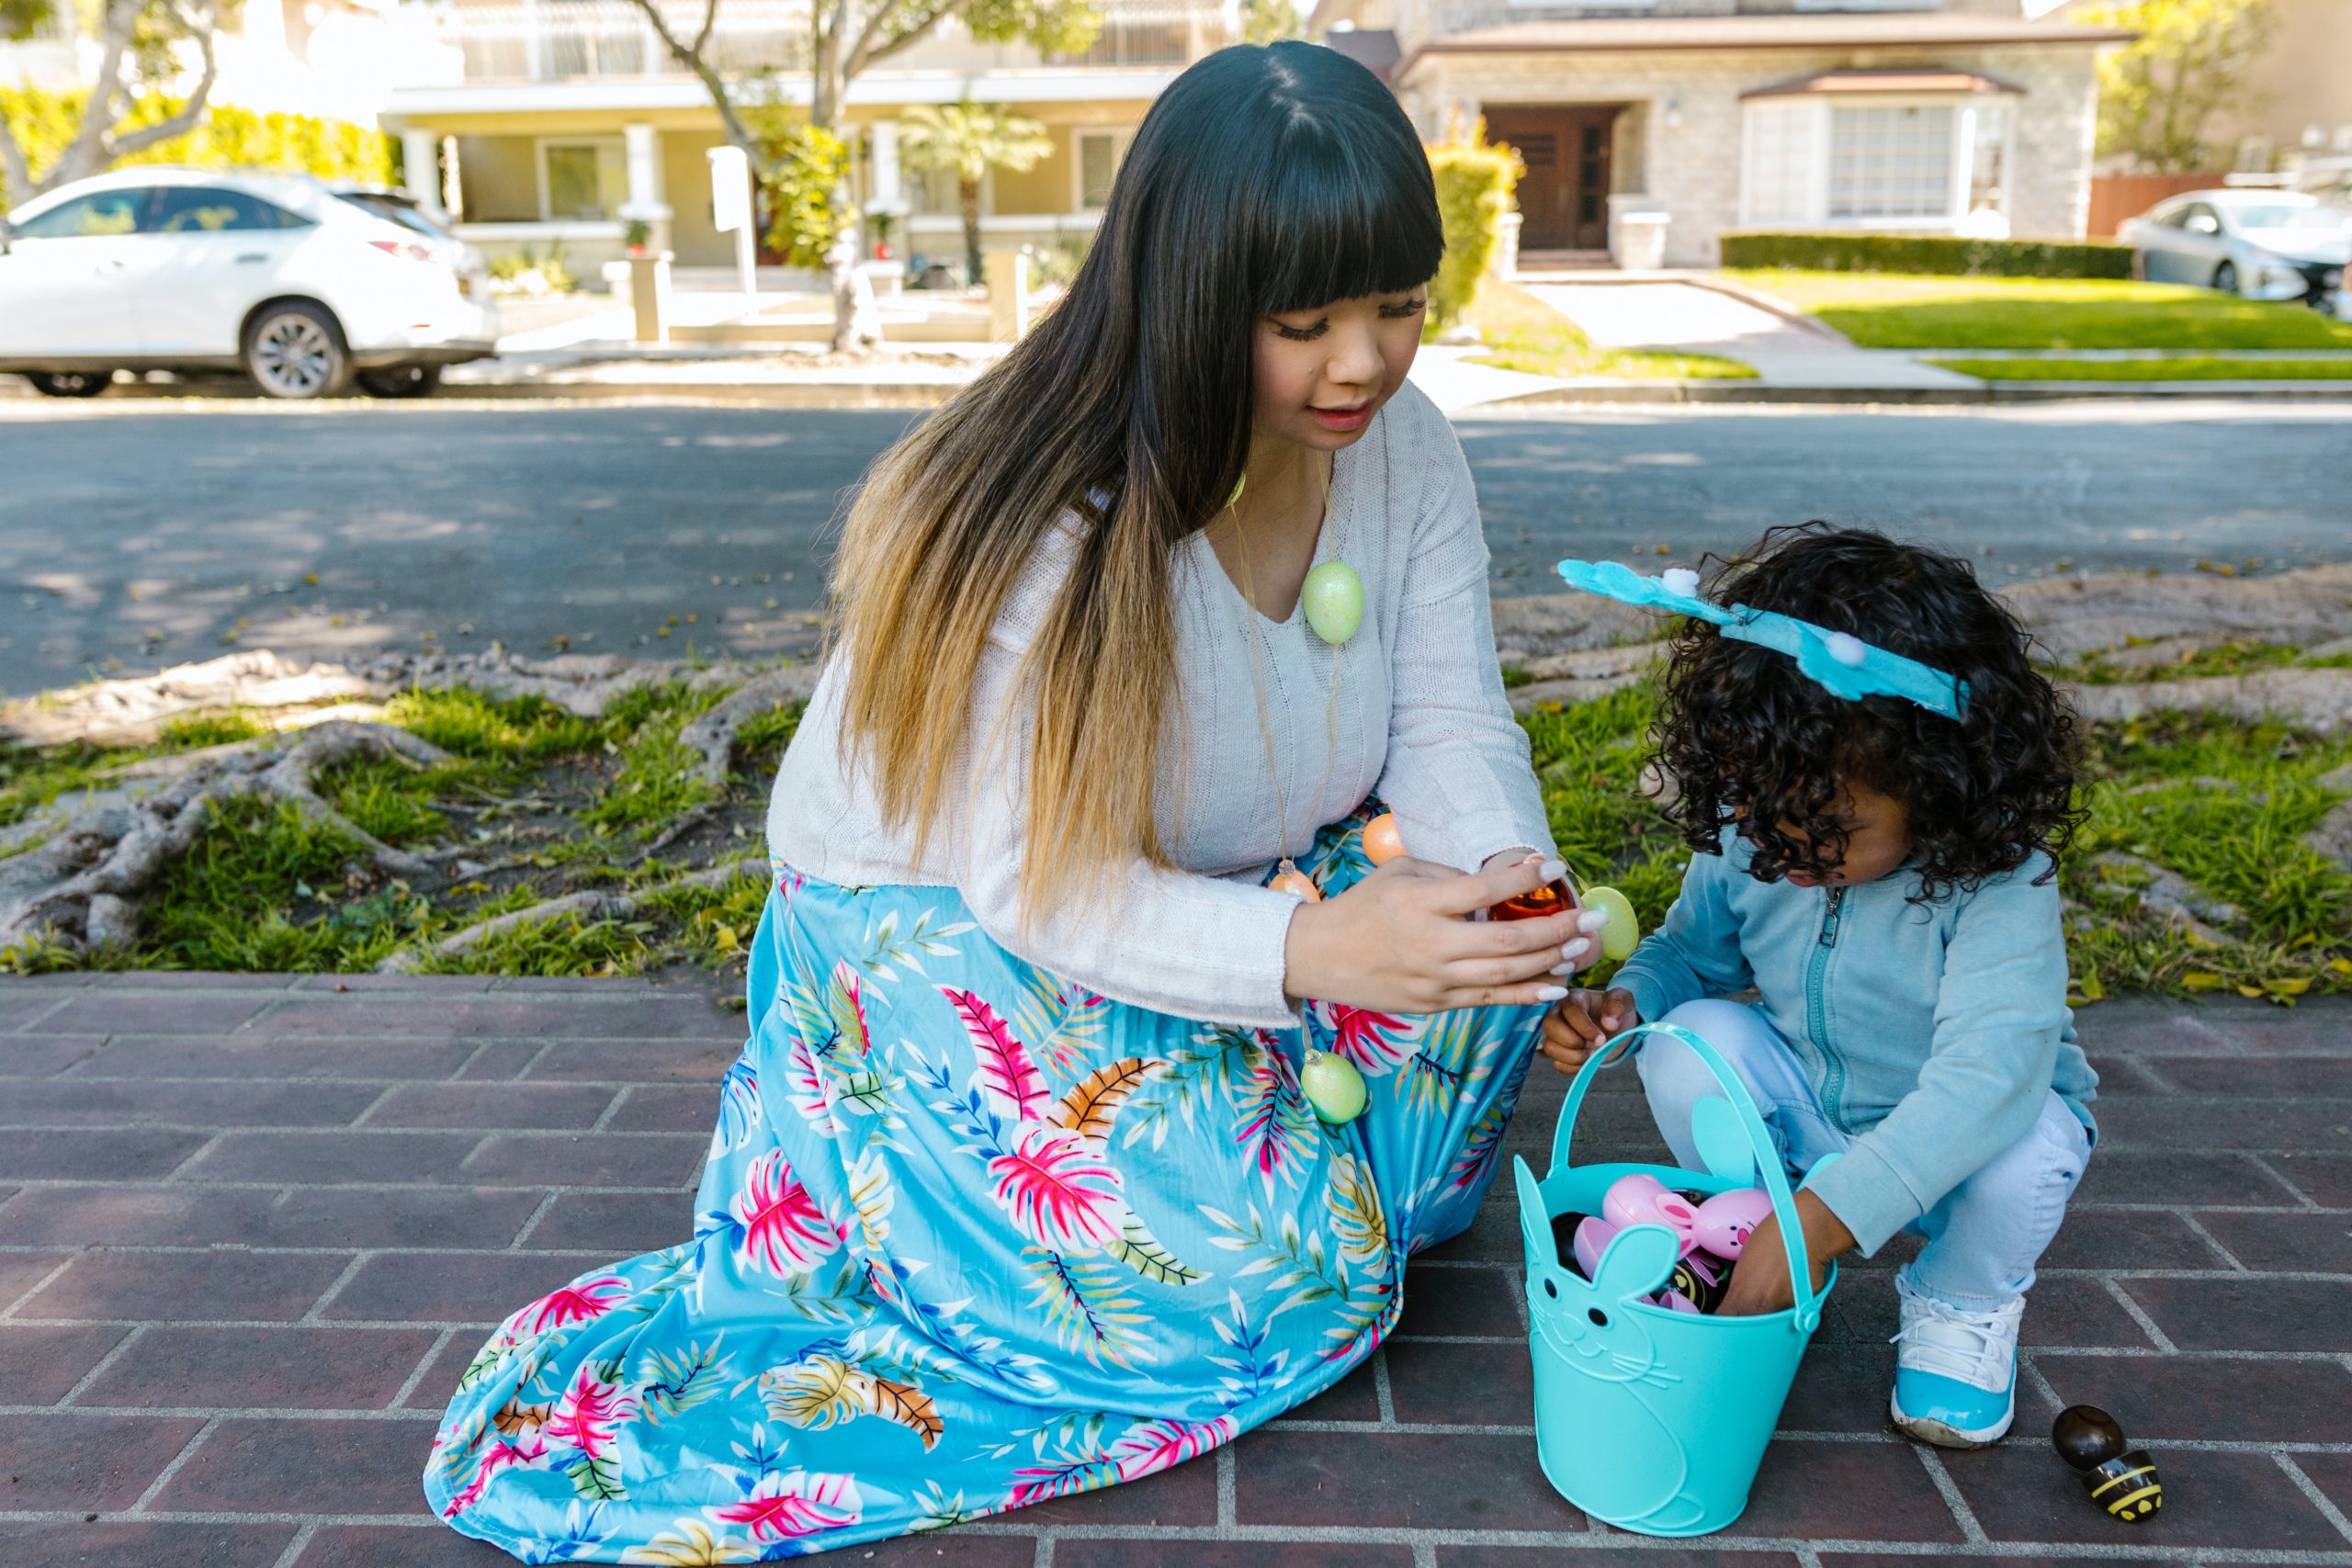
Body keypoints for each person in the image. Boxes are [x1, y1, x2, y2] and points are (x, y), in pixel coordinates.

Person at [425, 41, 1601, 1562]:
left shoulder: (1406, 450)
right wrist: (1313, 956)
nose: (1366, 362)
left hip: (1236, 875)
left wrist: (1517, 882)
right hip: (956, 928)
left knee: (1490, 958)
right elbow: (1043, 890)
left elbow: (1447, 717)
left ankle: (1286, 1119)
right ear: (1188, 300)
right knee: (1279, 1289)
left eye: (1398, 305)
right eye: (1304, 323)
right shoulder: (1058, 521)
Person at [1540, 525, 2096, 1450]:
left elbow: (1985, 1081)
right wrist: (1630, 1001)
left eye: (1830, 830)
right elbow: (1693, 956)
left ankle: (1959, 1303)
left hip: (1959, 1149)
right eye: (1761, 816)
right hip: (1809, 1123)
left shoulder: (2000, 882)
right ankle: (1744, 1235)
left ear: (1938, 785)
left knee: (2031, 1136)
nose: (1785, 852)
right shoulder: (1760, 835)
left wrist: (1816, 1224)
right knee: (1700, 1038)